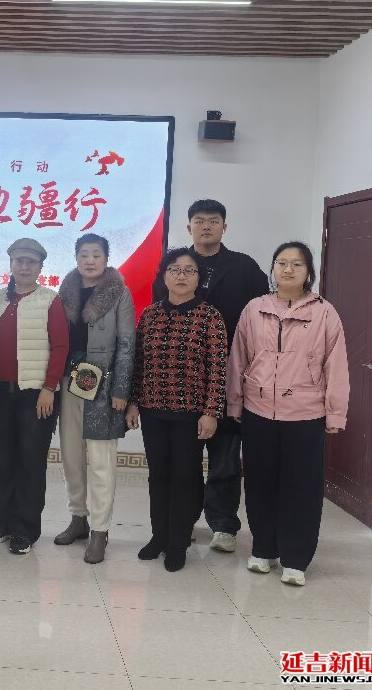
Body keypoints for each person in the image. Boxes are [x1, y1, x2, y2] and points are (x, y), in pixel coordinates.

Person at [227, 241, 349, 587]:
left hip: (305, 414)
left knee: (301, 487)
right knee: (259, 483)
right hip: (258, 410)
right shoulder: (255, 309)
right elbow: (238, 359)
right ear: (273, 269)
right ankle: (263, 549)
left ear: (309, 271)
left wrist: (335, 413)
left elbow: (336, 365)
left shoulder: (324, 313)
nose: (288, 269)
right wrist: (235, 402)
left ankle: (295, 558)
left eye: (297, 264)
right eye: (282, 263)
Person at [151, 199, 267, 553]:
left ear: (224, 227)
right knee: (182, 462)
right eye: (199, 221)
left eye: (213, 221)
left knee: (225, 458)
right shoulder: (175, 264)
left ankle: (223, 524)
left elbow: (262, 316)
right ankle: (182, 522)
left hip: (230, 375)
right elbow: (159, 314)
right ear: (188, 227)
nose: (205, 226)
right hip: (181, 382)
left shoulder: (244, 267)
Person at [129, 247, 227, 572]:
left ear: (199, 278)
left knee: (184, 477)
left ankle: (178, 542)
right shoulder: (150, 315)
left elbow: (218, 369)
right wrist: (133, 402)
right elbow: (139, 363)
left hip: (191, 413)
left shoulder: (210, 316)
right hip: (153, 408)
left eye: (189, 270)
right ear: (164, 275)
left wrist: (211, 411)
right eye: (174, 269)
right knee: (158, 476)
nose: (181, 276)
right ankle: (159, 536)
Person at [54, 234, 135, 564]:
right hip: (68, 381)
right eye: (84, 254)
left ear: (106, 258)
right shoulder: (65, 291)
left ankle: (100, 530)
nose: (90, 260)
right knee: (71, 455)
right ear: (76, 258)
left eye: (96, 254)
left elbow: (127, 344)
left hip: (103, 385)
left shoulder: (120, 293)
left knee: (101, 460)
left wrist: (121, 391)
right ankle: (78, 519)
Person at [0, 238, 69, 555]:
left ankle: (25, 528)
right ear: (11, 264)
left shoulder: (50, 300)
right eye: (19, 261)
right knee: (4, 460)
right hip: (2, 394)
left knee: (30, 462)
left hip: (36, 395)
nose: (24, 266)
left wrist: (49, 388)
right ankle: (5, 520)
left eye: (31, 262)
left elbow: (60, 346)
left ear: (40, 267)